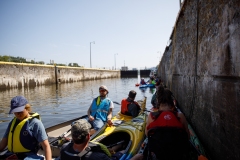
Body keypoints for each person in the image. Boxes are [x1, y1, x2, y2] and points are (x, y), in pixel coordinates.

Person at [144, 85, 189, 160]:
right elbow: (187, 136)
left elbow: (147, 134)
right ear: (172, 101)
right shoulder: (180, 116)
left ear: (158, 101)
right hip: (177, 154)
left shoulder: (151, 117)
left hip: (158, 154)